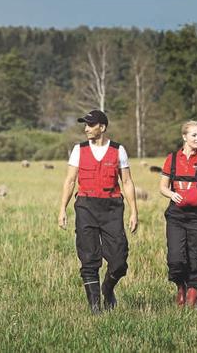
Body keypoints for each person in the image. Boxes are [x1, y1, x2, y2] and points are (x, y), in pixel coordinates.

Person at [57, 110, 139, 314]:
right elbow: (69, 181)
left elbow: (127, 182)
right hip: (85, 206)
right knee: (88, 258)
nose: (86, 128)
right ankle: (95, 307)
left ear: (102, 127)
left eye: (90, 125)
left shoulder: (118, 150)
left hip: (112, 209)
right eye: (85, 125)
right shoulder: (78, 150)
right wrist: (62, 209)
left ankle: (108, 288)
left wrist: (134, 212)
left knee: (119, 260)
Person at [158, 121, 197, 308]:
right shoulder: (172, 159)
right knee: (176, 258)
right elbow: (162, 187)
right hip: (176, 216)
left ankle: (193, 294)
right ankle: (180, 286)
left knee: (195, 257)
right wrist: (171, 194)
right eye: (194, 135)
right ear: (184, 137)